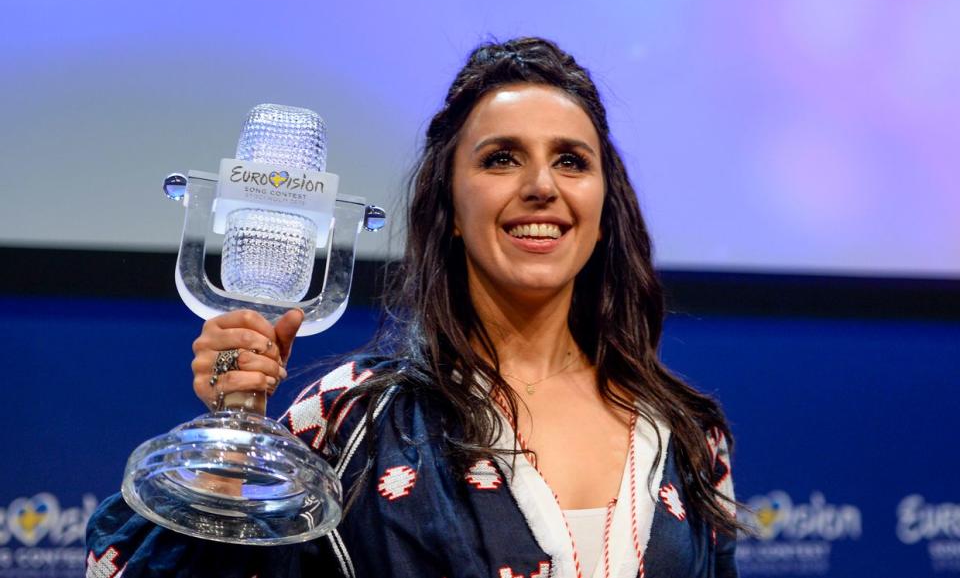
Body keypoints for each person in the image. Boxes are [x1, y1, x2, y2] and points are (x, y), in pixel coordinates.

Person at [86, 37, 740, 578]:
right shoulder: (352, 419)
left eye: (571, 160)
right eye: (502, 158)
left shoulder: (688, 436)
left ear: (602, 210)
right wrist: (233, 439)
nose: (542, 186)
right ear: (450, 208)